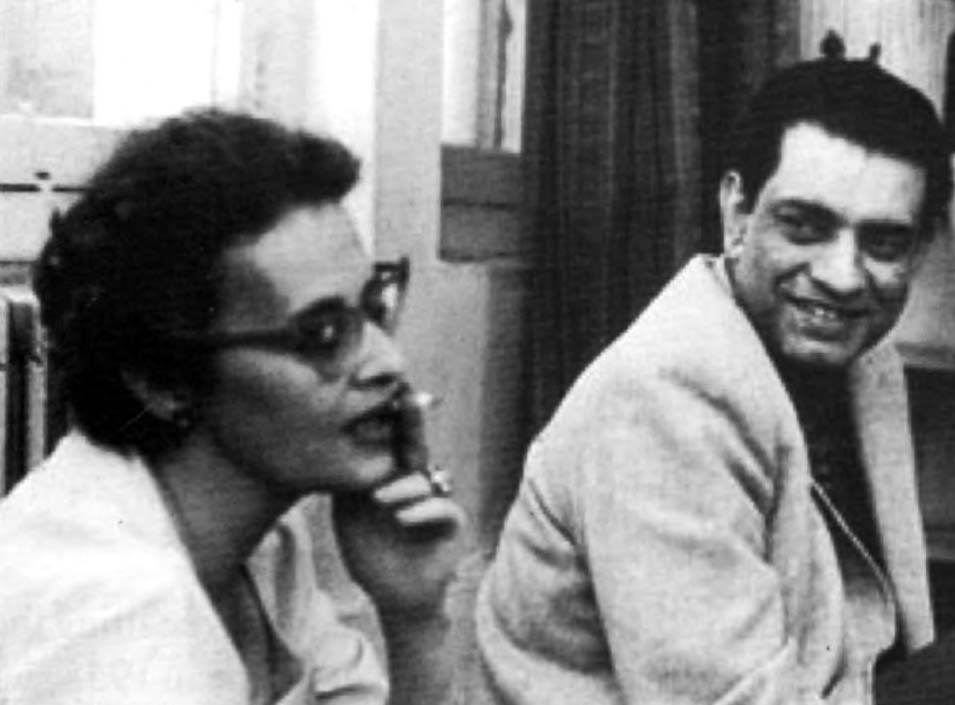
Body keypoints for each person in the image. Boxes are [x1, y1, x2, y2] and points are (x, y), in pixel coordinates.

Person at [474, 55, 953, 704]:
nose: (842, 277)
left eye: (883, 243)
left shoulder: (868, 360)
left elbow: (886, 634)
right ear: (736, 211)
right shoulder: (666, 393)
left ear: (919, 251)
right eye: (803, 226)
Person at [0, 109, 465, 704]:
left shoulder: (265, 544)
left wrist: (417, 618)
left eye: (373, 309)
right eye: (322, 334)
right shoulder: (117, 616)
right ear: (161, 379)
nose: (388, 363)